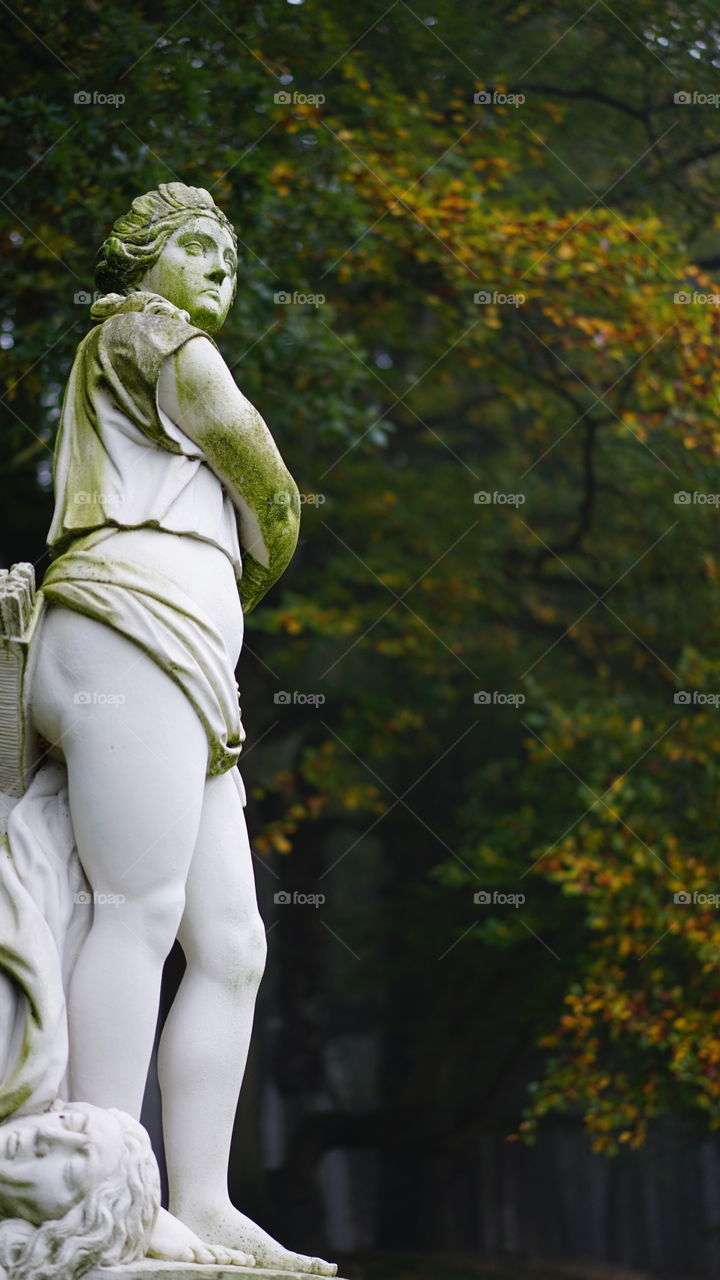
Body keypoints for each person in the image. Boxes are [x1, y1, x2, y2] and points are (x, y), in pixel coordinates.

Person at [27, 182, 336, 1274]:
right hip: (124, 630)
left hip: (189, 666)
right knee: (137, 907)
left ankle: (200, 1197)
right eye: (195, 246)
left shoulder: (157, 344)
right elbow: (256, 460)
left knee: (234, 944)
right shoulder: (143, 330)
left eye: (229, 255)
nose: (218, 269)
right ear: (139, 262)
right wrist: (274, 530)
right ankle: (108, 1189)